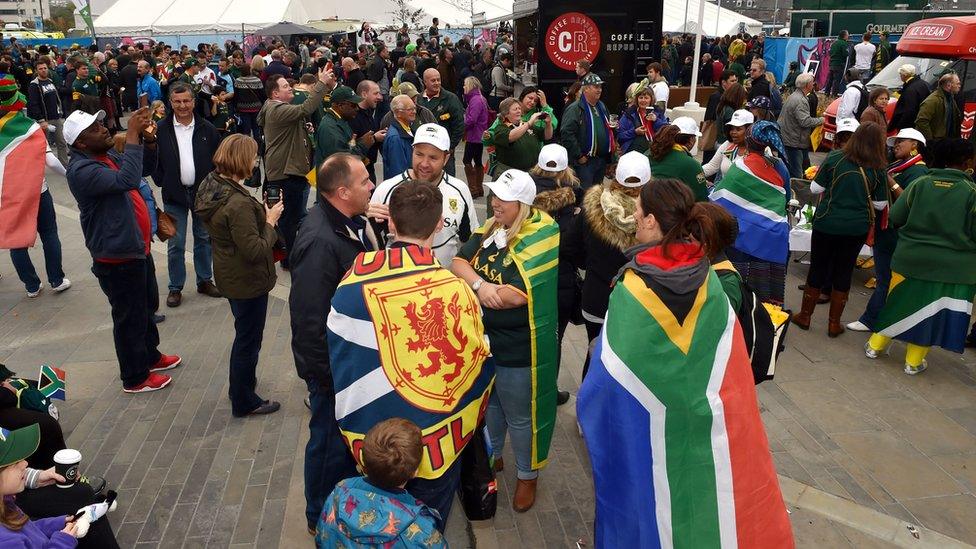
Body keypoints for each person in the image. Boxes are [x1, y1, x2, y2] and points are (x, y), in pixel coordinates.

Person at [576, 178, 794, 549]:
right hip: (702, 432)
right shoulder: (713, 283)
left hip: (649, 438)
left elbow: (605, 383)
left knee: (651, 512)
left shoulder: (631, 290)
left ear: (648, 222)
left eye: (638, 211)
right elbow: (730, 370)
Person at [328, 183, 494, 528]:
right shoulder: (456, 290)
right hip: (437, 445)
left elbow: (341, 361)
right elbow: (477, 362)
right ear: (438, 225)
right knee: (427, 527)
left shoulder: (350, 286)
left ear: (390, 223)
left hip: (375, 447)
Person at [452, 169, 559, 513]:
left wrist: (479, 284)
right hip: (484, 341)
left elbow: (515, 297)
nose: (494, 202)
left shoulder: (541, 235)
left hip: (518, 348)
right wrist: (482, 288)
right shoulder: (492, 228)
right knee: (491, 405)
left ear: (523, 205)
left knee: (520, 415)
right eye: (494, 195)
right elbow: (457, 261)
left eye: (503, 198)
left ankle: (528, 476)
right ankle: (493, 455)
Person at [290, 153, 379, 534]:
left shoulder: (346, 222)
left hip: (346, 364)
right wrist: (326, 379)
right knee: (327, 443)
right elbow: (309, 321)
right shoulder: (320, 242)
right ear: (342, 192)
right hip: (332, 371)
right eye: (364, 182)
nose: (372, 186)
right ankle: (318, 518)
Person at [65, 108, 182, 393]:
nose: (104, 129)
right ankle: (134, 376)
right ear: (80, 143)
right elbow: (127, 181)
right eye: (94, 129)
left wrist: (148, 140)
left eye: (101, 123)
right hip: (116, 255)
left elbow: (143, 170)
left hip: (136, 248)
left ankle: (150, 356)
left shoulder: (106, 157)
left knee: (145, 307)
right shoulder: (82, 170)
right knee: (128, 316)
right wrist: (131, 134)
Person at [865, 138, 976, 375]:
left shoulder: (920, 183)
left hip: (909, 258)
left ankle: (875, 347)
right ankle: (912, 363)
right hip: (953, 267)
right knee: (931, 312)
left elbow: (895, 215)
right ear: (967, 161)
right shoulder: (971, 192)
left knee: (898, 302)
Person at [192, 134, 282, 417]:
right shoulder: (238, 203)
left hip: (229, 271)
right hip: (247, 279)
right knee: (248, 340)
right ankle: (244, 399)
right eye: (254, 156)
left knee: (244, 334)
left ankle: (240, 385)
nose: (256, 162)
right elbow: (254, 250)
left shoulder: (213, 183)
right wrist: (270, 221)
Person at [792, 121, 889, 336]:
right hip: (856, 227)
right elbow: (881, 205)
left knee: (818, 267)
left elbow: (816, 187)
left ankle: (805, 316)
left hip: (827, 221)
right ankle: (834, 324)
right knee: (844, 271)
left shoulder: (836, 158)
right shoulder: (878, 167)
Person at [563, 154, 646, 380]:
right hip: (639, 303)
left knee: (595, 354)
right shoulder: (655, 214)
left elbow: (569, 247)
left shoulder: (593, 206)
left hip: (596, 297)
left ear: (615, 176)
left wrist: (590, 264)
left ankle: (588, 410)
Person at [316, 419, 446, 547]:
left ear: (363, 463)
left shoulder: (340, 490)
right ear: (415, 472)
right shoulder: (421, 528)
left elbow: (322, 534)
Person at [848, 128, 928, 333]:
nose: (897, 145)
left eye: (902, 141)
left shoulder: (917, 171)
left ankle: (871, 319)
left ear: (915, 145)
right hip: (886, 229)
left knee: (885, 279)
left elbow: (907, 201)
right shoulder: (899, 165)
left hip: (894, 231)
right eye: (896, 141)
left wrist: (888, 180)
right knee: (885, 279)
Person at [152, 82, 223, 308]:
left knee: (203, 239)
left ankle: (204, 280)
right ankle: (175, 287)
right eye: (177, 102)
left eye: (186, 101)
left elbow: (218, 161)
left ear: (193, 101)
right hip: (174, 195)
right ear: (170, 103)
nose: (182, 106)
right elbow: (152, 160)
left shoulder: (207, 128)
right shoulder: (161, 129)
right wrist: (162, 179)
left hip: (203, 195)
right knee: (175, 242)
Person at [258, 67, 334, 270]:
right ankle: (289, 258)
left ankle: (288, 254)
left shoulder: (276, 108)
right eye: (285, 87)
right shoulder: (276, 109)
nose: (290, 88)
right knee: (289, 220)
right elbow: (305, 108)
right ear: (275, 93)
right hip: (286, 172)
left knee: (291, 217)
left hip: (290, 170)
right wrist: (322, 83)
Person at [371, 123, 479, 266]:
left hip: (444, 282)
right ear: (412, 151)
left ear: (446, 158)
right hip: (398, 284)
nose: (424, 164)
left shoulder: (459, 190)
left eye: (433, 158)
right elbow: (371, 243)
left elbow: (471, 240)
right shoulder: (387, 189)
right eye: (419, 154)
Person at [710, 121, 792, 305]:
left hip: (742, 238)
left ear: (749, 140)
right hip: (770, 238)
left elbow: (723, 197)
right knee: (763, 288)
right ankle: (764, 317)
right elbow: (785, 199)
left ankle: (741, 314)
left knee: (739, 282)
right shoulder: (780, 167)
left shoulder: (740, 166)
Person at [530, 144, 583, 404]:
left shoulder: (520, 194)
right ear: (565, 170)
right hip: (559, 279)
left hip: (525, 277)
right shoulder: (574, 201)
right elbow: (576, 251)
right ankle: (547, 390)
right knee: (554, 339)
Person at [561, 73, 615, 190]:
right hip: (585, 162)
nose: (599, 90)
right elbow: (566, 133)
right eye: (596, 87)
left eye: (600, 87)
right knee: (585, 195)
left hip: (600, 159)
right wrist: (579, 155)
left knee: (596, 193)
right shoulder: (575, 109)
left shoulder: (601, 106)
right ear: (586, 89)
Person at [417, 68, 464, 177]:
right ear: (425, 82)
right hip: (423, 150)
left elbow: (459, 126)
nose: (437, 83)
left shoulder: (451, 99)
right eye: (433, 80)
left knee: (446, 182)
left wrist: (449, 147)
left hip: (444, 152)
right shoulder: (418, 100)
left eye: (438, 80)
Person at [648, 118, 708, 201]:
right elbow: (702, 199)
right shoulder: (691, 164)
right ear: (691, 140)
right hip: (670, 210)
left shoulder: (650, 151)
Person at [778, 73, 824, 179]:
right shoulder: (801, 101)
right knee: (795, 175)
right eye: (812, 82)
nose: (813, 84)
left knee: (789, 171)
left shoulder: (794, 96)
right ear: (807, 85)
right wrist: (821, 120)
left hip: (789, 139)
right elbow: (805, 121)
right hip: (794, 142)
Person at [490, 97, 553, 175]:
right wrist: (529, 123)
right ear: (506, 113)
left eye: (519, 108)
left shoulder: (525, 125)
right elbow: (510, 136)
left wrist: (548, 123)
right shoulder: (500, 128)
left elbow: (547, 136)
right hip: (509, 174)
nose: (519, 111)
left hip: (530, 172)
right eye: (515, 109)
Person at [27, 57, 68, 165]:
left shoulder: (50, 81)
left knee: (62, 143)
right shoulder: (34, 85)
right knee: (42, 146)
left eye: (45, 68)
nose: (43, 70)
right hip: (44, 120)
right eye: (40, 69)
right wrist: (41, 120)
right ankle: (38, 167)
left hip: (56, 117)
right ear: (37, 71)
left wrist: (60, 112)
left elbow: (56, 98)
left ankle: (64, 165)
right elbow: (33, 103)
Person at [349, 80, 389, 182]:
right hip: (356, 172)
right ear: (364, 94)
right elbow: (349, 147)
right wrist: (374, 138)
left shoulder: (370, 113)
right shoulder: (352, 116)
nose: (380, 97)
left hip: (369, 168)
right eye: (376, 93)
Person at [703, 109, 754, 181]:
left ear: (749, 130)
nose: (733, 132)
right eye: (732, 129)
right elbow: (711, 167)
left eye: (738, 129)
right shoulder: (727, 144)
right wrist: (693, 174)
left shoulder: (759, 150)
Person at [702, 70, 739, 163]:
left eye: (736, 81)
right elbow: (710, 118)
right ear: (723, 82)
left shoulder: (730, 96)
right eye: (732, 81)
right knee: (710, 162)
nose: (735, 83)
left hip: (720, 138)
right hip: (714, 136)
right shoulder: (716, 97)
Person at [616, 85, 666, 154]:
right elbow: (619, 136)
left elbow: (667, 131)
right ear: (637, 99)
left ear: (651, 99)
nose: (643, 100)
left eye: (646, 98)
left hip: (656, 151)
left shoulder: (658, 112)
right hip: (633, 153)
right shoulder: (629, 114)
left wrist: (656, 120)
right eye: (640, 97)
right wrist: (634, 132)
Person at [462, 76, 490, 197]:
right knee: (477, 161)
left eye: (465, 84)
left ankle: (473, 190)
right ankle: (479, 188)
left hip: (474, 135)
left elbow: (471, 119)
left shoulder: (475, 100)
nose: (463, 87)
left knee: (467, 160)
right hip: (480, 134)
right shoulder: (481, 98)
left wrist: (463, 125)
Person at [916, 72, 962, 142]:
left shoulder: (950, 98)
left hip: (946, 141)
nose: (959, 86)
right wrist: (930, 141)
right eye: (957, 83)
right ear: (949, 85)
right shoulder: (932, 100)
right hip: (936, 143)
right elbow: (921, 121)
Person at [382, 94, 417, 180]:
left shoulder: (408, 130)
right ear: (398, 113)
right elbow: (398, 173)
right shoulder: (395, 138)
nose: (414, 112)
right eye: (410, 109)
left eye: (414, 108)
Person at [888, 63, 930, 132]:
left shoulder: (910, 90)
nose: (900, 76)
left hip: (910, 127)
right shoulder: (924, 83)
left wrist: (899, 127)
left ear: (905, 75)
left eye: (900, 74)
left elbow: (909, 111)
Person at [827, 30, 850, 96]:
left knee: (830, 79)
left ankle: (827, 93)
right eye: (847, 35)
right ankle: (834, 94)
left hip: (832, 63)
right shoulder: (843, 43)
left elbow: (830, 52)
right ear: (845, 36)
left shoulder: (834, 43)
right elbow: (845, 54)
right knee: (837, 80)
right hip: (839, 64)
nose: (848, 36)